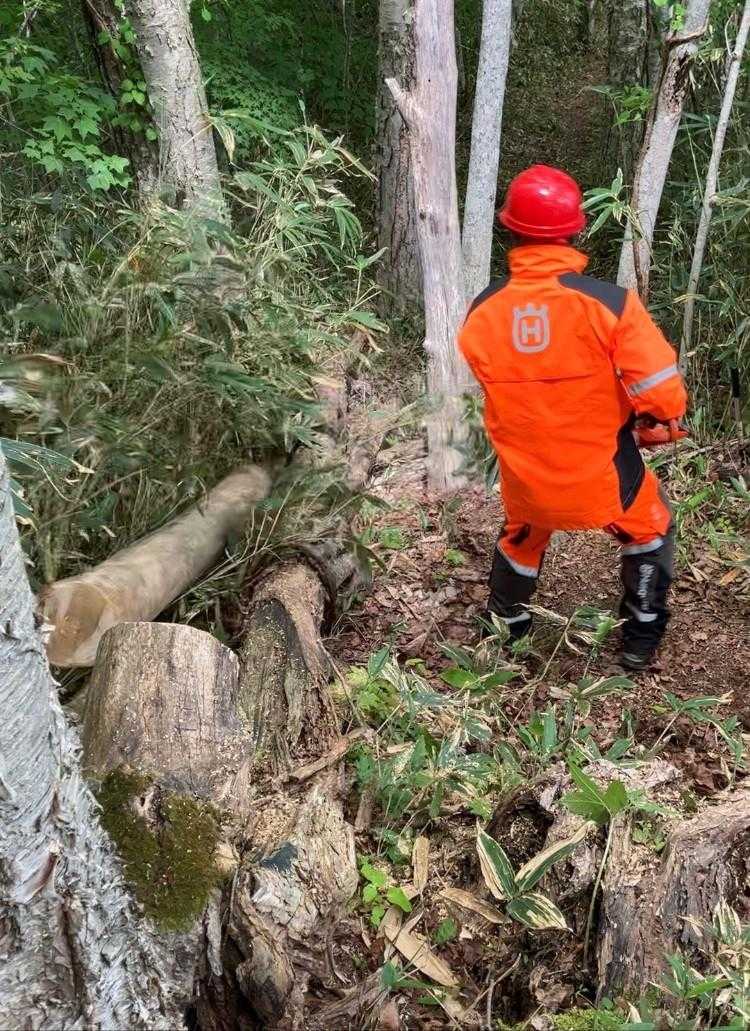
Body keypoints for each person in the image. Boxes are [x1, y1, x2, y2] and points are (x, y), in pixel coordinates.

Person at [458, 164, 688, 671]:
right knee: (651, 527)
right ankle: (640, 639)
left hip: (526, 477)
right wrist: (654, 419)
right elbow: (662, 392)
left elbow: (503, 383)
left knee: (522, 534)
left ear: (510, 227)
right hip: (599, 476)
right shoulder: (610, 304)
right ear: (575, 230)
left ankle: (506, 631)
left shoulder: (482, 310)